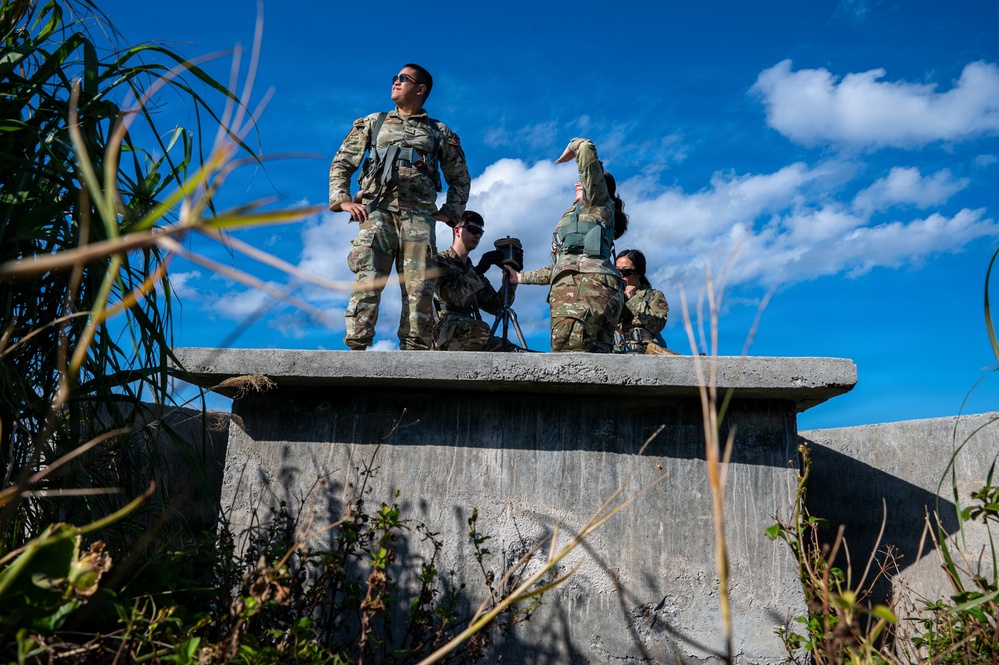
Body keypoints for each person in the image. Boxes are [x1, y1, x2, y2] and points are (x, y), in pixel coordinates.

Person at [329, 64, 471, 350]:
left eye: (403, 79)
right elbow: (342, 162)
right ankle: (357, 347)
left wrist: (451, 212)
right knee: (368, 277)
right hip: (377, 211)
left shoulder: (439, 132)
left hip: (419, 217)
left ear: (421, 89)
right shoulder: (374, 122)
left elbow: (460, 178)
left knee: (419, 287)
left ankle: (415, 353)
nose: (396, 82)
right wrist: (342, 199)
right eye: (395, 77)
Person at [505, 138, 628, 352]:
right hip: (599, 288)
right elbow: (563, 266)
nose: (577, 183)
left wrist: (574, 146)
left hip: (581, 290)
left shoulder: (596, 202)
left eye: (582, 180)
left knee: (570, 357)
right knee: (600, 360)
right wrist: (520, 278)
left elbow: (586, 148)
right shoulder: (586, 216)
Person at [433, 211, 514, 351]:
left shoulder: (472, 270)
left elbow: (496, 306)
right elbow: (449, 296)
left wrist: (511, 280)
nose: (477, 235)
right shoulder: (439, 261)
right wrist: (479, 270)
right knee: (480, 330)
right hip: (443, 332)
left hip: (469, 332)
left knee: (509, 349)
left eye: (480, 233)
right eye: (472, 230)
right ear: (457, 230)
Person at [614, 249, 671, 353]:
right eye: (617, 271)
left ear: (639, 273)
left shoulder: (654, 296)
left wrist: (634, 300)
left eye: (626, 271)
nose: (621, 275)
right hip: (616, 351)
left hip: (645, 351)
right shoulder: (612, 296)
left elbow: (657, 326)